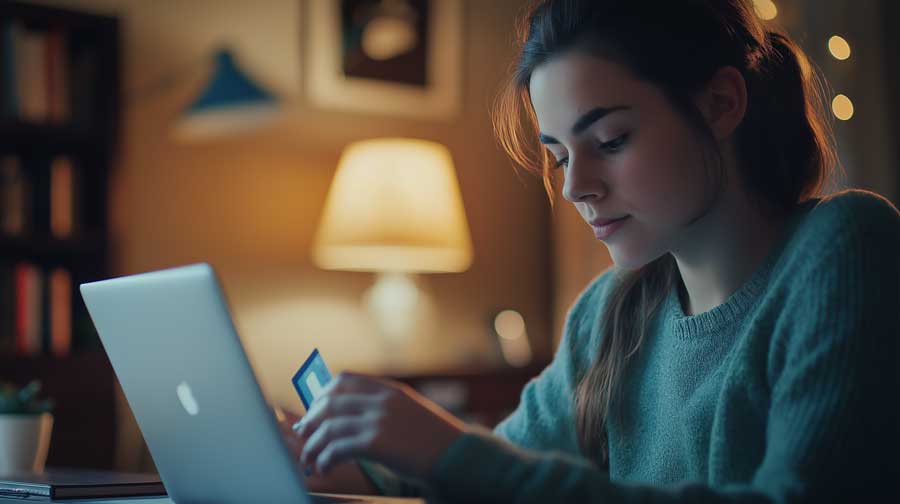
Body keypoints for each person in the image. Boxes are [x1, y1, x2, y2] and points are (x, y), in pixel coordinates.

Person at [280, 0, 900, 502]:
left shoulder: (845, 245)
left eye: (611, 138)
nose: (576, 186)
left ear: (721, 104)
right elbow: (506, 465)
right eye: (559, 155)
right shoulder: (609, 314)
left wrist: (448, 452)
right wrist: (342, 464)